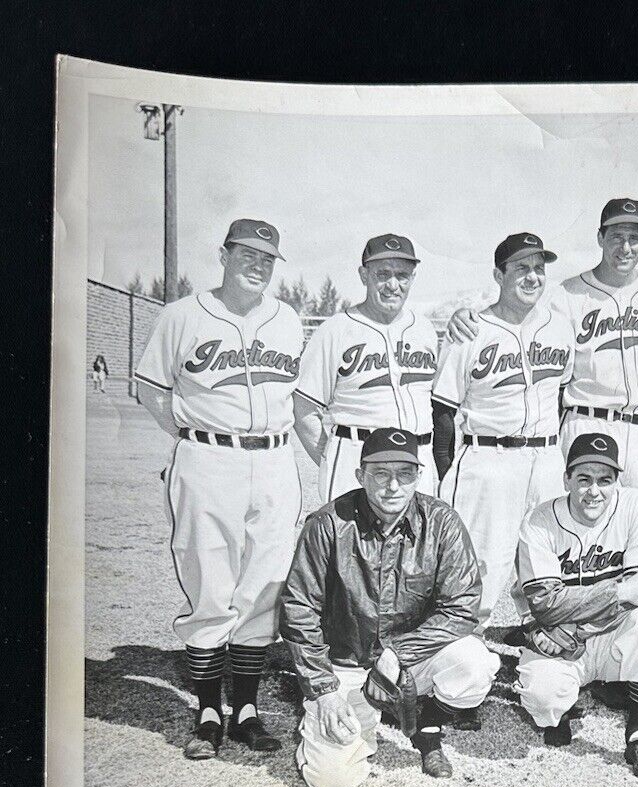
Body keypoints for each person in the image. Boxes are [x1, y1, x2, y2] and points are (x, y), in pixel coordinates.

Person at [445, 199, 638, 619]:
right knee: (578, 546)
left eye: (635, 237)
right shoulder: (564, 296)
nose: (625, 246)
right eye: (616, 236)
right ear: (600, 238)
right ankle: (561, 637)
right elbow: (513, 320)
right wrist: (464, 316)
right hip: (585, 425)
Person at [133, 219, 304, 759]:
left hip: (276, 458)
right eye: (247, 254)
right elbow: (153, 390)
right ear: (223, 255)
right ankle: (208, 710)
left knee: (265, 583)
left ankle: (247, 710)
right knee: (209, 580)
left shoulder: (289, 320)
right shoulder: (181, 315)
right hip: (207, 457)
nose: (257, 265)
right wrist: (195, 439)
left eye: (267, 258)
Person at [280, 427, 499, 787]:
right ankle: (341, 724)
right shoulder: (328, 524)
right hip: (347, 664)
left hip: (411, 661)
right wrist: (324, 690)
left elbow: (462, 608)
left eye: (404, 474)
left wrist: (398, 653)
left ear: (418, 476)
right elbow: (299, 609)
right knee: (330, 781)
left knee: (475, 666)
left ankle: (424, 716)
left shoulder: (442, 522)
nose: (393, 486)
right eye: (381, 473)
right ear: (360, 475)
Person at [430, 233, 573, 632]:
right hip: (488, 456)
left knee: (548, 554)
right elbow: (443, 411)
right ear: (499, 274)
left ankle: (543, 634)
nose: (532, 277)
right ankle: (461, 643)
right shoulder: (471, 330)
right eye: (521, 268)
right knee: (482, 561)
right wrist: (447, 471)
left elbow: (560, 394)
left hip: (545, 455)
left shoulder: (559, 327)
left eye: (539, 269)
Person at [514, 433, 638, 780]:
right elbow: (544, 605)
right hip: (558, 639)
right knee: (543, 699)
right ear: (566, 479)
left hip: (588, 633)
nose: (594, 490)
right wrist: (618, 592)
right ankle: (566, 704)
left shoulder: (635, 506)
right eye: (583, 479)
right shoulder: (539, 521)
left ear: (617, 481)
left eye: (605, 480)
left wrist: (578, 622)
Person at [293, 234, 439, 502]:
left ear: (413, 278)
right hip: (358, 454)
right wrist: (330, 456)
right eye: (383, 274)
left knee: (418, 541)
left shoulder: (425, 330)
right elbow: (304, 410)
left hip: (418, 458)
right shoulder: (335, 330)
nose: (393, 284)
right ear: (364, 274)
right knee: (352, 542)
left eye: (402, 275)